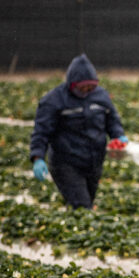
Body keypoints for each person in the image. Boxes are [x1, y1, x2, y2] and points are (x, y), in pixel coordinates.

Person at [29, 54, 128, 210]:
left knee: (85, 203)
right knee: (82, 206)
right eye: (83, 87)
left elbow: (112, 119)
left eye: (91, 87)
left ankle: (72, 228)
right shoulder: (54, 100)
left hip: (94, 161)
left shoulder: (100, 96)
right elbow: (41, 131)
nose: (87, 90)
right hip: (66, 162)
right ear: (72, 84)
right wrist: (37, 157)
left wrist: (118, 135)